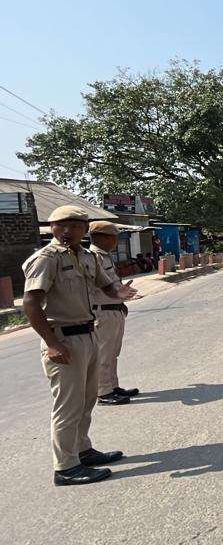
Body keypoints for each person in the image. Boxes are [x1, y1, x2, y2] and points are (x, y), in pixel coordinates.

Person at [22, 206, 139, 486]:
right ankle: (65, 467)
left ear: (85, 229)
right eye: (62, 225)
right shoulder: (45, 259)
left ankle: (82, 451)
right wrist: (51, 342)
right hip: (63, 339)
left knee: (86, 400)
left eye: (75, 225)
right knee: (68, 405)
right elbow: (31, 303)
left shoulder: (86, 256)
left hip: (89, 334)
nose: (68, 230)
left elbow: (105, 284)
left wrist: (118, 292)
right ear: (52, 227)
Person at [88, 221, 139, 407]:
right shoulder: (93, 257)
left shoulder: (105, 256)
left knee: (112, 353)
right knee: (103, 354)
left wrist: (121, 302)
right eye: (113, 237)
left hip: (113, 309)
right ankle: (103, 392)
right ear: (102, 237)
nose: (116, 241)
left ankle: (113, 387)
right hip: (102, 312)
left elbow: (112, 283)